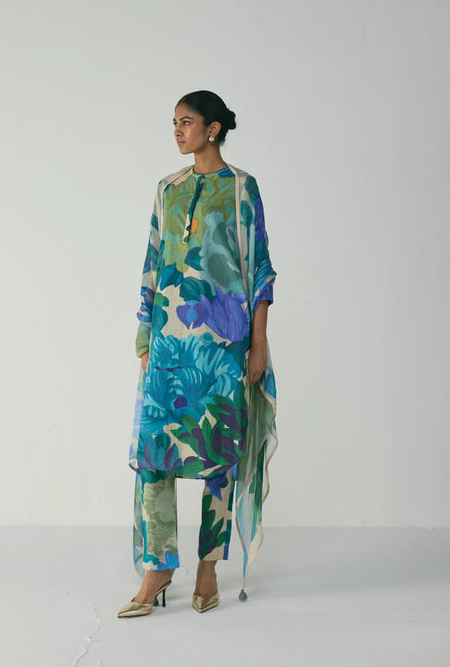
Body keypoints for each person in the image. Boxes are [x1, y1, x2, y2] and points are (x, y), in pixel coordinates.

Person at [118, 90, 278, 618]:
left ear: (212, 129)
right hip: (168, 343)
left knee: (219, 457)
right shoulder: (167, 189)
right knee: (155, 456)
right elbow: (152, 261)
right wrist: (145, 337)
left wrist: (258, 343)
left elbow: (260, 271)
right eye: (174, 123)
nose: (177, 131)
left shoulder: (241, 188)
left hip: (223, 345)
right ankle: (158, 567)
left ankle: (208, 568)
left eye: (186, 122)